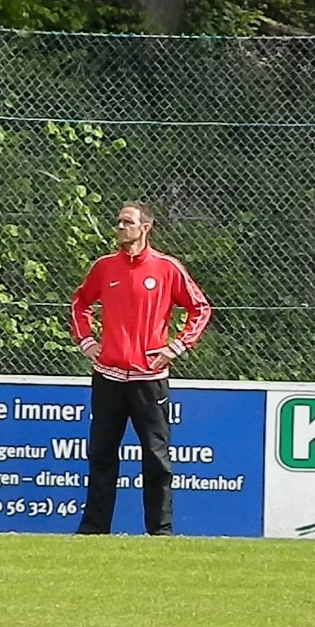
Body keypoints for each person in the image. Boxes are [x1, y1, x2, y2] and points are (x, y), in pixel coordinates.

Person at [70, 202, 211, 535]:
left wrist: (176, 347)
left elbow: (199, 308)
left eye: (128, 222)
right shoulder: (104, 267)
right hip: (108, 377)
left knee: (156, 456)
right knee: (102, 455)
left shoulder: (167, 268)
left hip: (150, 379)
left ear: (145, 228)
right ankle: (93, 529)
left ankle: (159, 531)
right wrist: (86, 341)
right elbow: (80, 303)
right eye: (118, 222)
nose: (121, 227)